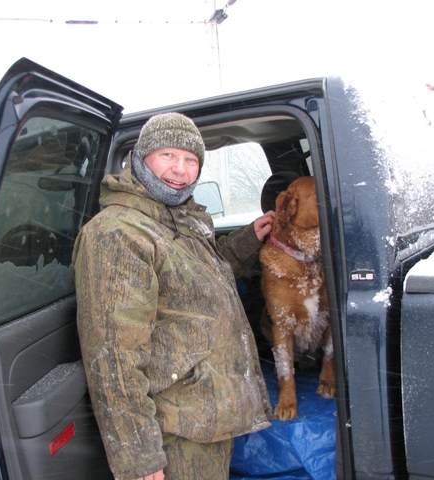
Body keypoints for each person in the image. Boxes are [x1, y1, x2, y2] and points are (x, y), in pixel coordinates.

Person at [73, 112, 274, 480]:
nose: (180, 170)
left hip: (205, 418)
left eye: (191, 159)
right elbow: (114, 361)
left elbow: (200, 272)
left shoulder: (179, 216)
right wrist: (141, 459)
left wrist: (249, 239)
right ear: (141, 156)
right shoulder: (119, 234)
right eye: (168, 155)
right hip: (174, 433)